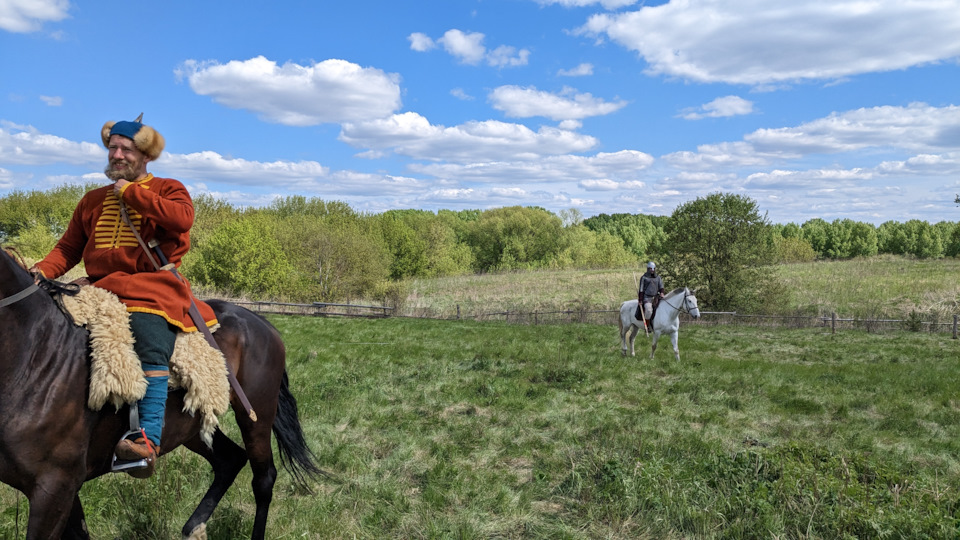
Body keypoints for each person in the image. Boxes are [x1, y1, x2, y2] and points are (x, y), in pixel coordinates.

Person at [30, 115, 218, 478]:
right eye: (112, 148)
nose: (117, 155)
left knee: (148, 336)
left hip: (150, 287)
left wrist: (132, 193)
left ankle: (146, 439)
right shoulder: (91, 200)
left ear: (145, 156)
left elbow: (182, 219)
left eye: (126, 150)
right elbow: (67, 249)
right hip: (98, 286)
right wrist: (40, 272)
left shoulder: (167, 188)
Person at [636, 261, 665, 326]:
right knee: (649, 311)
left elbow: (661, 287)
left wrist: (662, 293)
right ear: (648, 269)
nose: (652, 270)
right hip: (647, 298)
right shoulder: (644, 277)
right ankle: (647, 325)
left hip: (656, 298)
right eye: (650, 269)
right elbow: (641, 289)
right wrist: (640, 300)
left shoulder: (658, 277)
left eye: (653, 269)